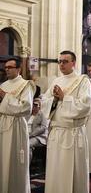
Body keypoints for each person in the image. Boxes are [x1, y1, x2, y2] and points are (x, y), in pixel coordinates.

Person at [41, 50, 91, 193]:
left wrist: (64, 98)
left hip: (73, 133)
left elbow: (86, 106)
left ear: (73, 63)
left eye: (65, 61)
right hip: (56, 131)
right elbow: (45, 101)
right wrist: (54, 100)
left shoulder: (83, 81)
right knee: (55, 170)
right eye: (60, 61)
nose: (61, 64)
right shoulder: (56, 81)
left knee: (71, 171)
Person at [0, 58, 34, 193]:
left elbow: (26, 108)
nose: (7, 69)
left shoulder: (26, 85)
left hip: (16, 126)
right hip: (2, 123)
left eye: (10, 67)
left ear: (18, 69)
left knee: (13, 160)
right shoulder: (3, 85)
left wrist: (5, 97)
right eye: (6, 67)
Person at [28, 98, 48, 163]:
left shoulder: (42, 114)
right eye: (33, 104)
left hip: (38, 137)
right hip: (26, 135)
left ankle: (27, 166)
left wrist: (31, 135)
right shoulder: (28, 115)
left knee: (28, 145)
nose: (34, 106)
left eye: (36, 105)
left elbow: (43, 127)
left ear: (39, 106)